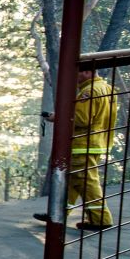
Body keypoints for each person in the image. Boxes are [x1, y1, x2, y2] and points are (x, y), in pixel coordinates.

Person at [34, 69, 116, 231]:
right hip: (95, 142)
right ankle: (58, 213)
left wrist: (56, 117)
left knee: (86, 182)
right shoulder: (106, 88)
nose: (75, 76)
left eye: (77, 72)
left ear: (87, 72)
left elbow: (80, 118)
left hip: (82, 145)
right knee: (72, 182)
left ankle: (101, 219)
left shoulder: (89, 91)